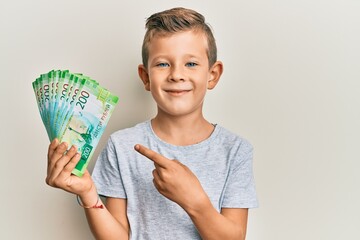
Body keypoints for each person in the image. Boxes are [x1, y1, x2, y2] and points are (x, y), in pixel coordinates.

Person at [46, 7, 258, 240]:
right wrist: (88, 194)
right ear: (145, 76)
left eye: (191, 64)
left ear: (213, 74)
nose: (177, 75)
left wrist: (194, 201)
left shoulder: (236, 150)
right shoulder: (121, 146)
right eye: (163, 64)